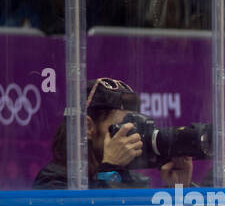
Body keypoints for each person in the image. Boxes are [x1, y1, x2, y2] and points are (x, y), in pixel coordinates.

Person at [33, 78, 193, 190]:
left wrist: (179, 188)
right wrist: (109, 170)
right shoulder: (53, 180)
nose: (133, 136)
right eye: (123, 126)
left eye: (134, 127)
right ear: (87, 127)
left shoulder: (136, 181)